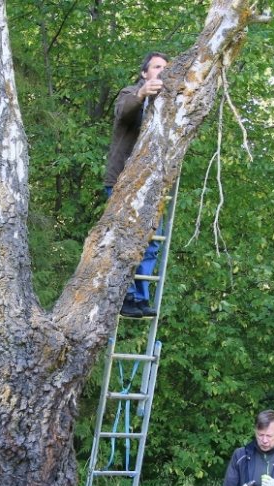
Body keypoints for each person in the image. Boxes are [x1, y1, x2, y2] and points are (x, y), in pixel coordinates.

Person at [103, 51, 168, 318]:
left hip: (152, 185)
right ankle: (125, 295)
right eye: (156, 67)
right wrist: (142, 93)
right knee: (125, 239)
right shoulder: (131, 92)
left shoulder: (169, 102)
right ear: (144, 73)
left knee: (150, 244)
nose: (162, 71)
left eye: (166, 67)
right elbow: (123, 111)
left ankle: (139, 298)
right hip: (122, 182)